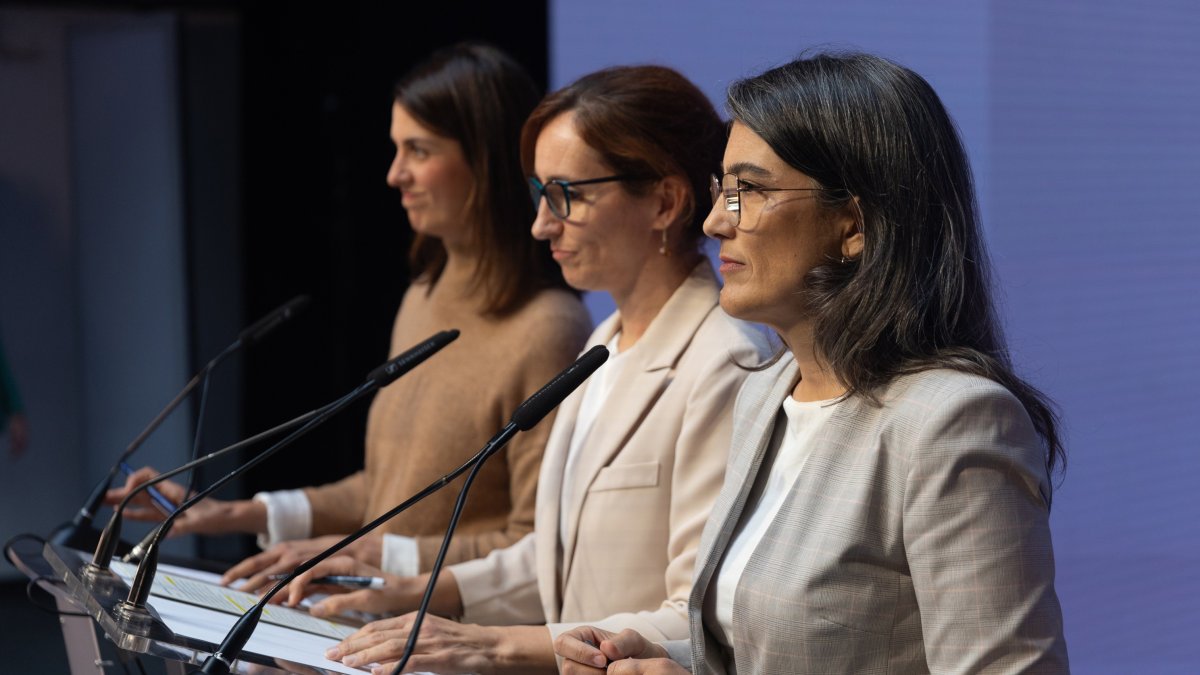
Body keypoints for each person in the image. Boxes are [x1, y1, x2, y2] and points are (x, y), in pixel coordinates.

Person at [555, 51, 1070, 674]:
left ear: (853, 225)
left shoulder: (953, 422)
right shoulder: (769, 391)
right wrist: (676, 656)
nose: (716, 220)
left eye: (750, 190)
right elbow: (788, 650)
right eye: (723, 189)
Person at [281, 65, 768, 674]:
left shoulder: (727, 362)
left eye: (567, 194)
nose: (542, 224)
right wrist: (422, 588)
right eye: (541, 194)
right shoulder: (605, 343)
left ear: (665, 202)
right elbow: (558, 555)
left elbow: (699, 618)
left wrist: (492, 644)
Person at [111, 43, 592, 581]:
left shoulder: (549, 328)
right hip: (373, 622)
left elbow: (532, 546)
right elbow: (389, 489)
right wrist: (228, 513)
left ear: (485, 158)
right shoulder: (424, 295)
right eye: (395, 149)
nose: (394, 175)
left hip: (446, 644)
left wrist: (369, 557)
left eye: (419, 150)